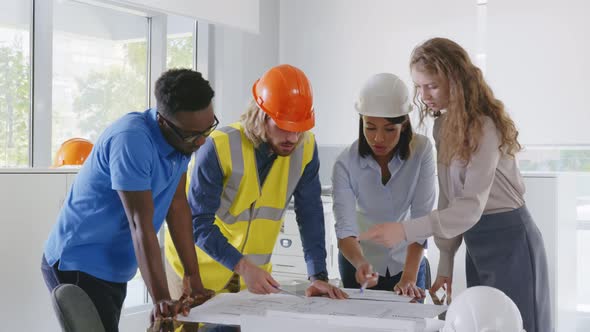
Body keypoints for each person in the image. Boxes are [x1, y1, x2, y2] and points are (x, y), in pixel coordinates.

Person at [360, 38, 551, 332]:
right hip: (477, 241)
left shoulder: (485, 127)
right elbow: (449, 201)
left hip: (510, 240)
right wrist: (445, 266)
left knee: (519, 325)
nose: (424, 96)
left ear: (456, 79)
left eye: (432, 85)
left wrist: (404, 230)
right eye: (419, 86)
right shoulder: (442, 126)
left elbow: (469, 208)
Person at [42, 69, 217, 331]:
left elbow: (177, 206)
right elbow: (140, 224)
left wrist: (192, 276)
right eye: (194, 135)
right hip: (79, 260)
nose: (202, 142)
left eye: (208, 129)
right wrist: (161, 300)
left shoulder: (182, 140)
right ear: (163, 121)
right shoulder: (132, 141)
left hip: (114, 265)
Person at [164, 64, 347, 300]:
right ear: (262, 115)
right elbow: (198, 223)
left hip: (251, 278)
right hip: (195, 271)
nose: (292, 138)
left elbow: (310, 214)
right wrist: (243, 266)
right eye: (283, 127)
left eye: (299, 128)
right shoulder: (218, 147)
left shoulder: (306, 149)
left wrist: (318, 276)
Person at [332, 73, 436, 298]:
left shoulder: (422, 151)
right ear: (361, 121)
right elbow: (345, 229)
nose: (378, 138)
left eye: (389, 129)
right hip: (358, 262)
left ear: (404, 123)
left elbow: (422, 219)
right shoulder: (345, 163)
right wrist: (360, 263)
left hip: (408, 261)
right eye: (370, 127)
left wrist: (408, 278)